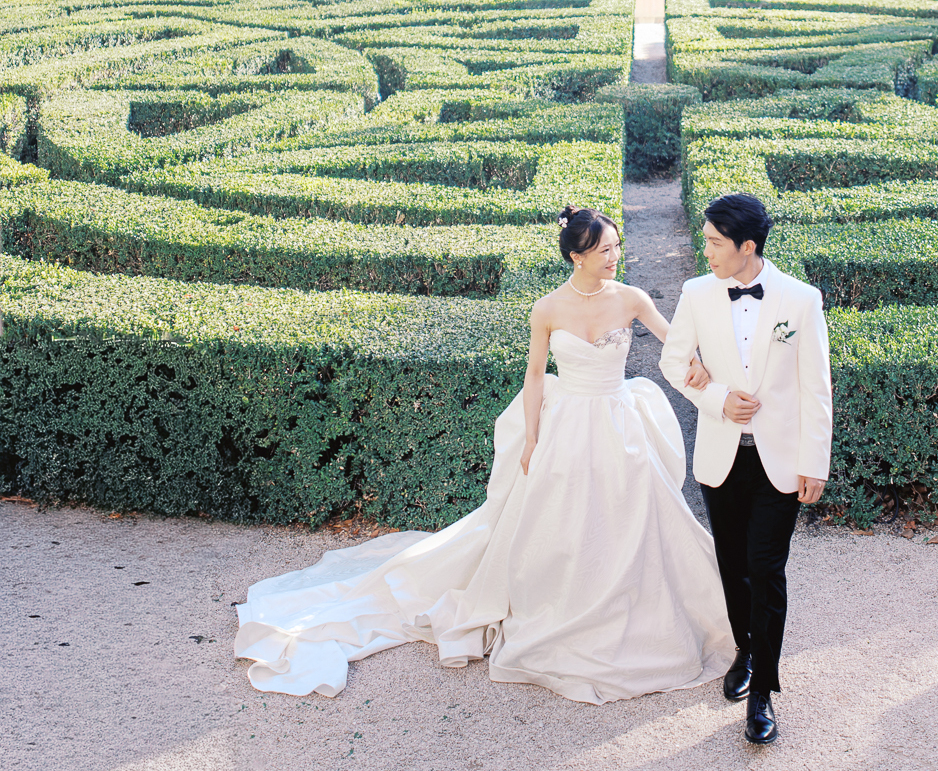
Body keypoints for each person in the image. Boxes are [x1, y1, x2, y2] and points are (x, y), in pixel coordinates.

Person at [235, 205, 732, 704]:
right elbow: (534, 376)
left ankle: (630, 605)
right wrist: (532, 438)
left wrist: (703, 370)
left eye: (616, 247)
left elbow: (676, 344)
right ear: (577, 256)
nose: (615, 256)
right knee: (561, 519)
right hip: (566, 426)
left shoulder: (631, 298)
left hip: (620, 424)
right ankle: (561, 601)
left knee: (631, 516)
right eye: (605, 249)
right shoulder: (547, 308)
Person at [660, 192, 833, 746]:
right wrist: (716, 399)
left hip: (780, 461)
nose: (706, 250)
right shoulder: (696, 293)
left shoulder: (801, 300)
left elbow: (816, 388)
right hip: (722, 456)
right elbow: (672, 361)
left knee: (766, 569)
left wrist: (815, 463)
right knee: (732, 563)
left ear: (747, 246)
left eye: (715, 242)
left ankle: (763, 693)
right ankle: (745, 649)